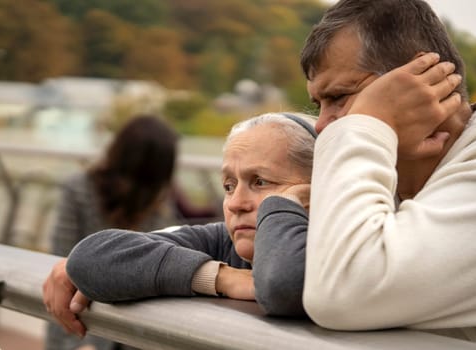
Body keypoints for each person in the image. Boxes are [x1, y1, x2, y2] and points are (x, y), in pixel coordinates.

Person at [42, 112, 317, 339]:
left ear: (320, 186)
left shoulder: (344, 254)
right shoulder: (221, 242)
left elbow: (282, 285)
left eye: (260, 182)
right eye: (229, 186)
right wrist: (223, 278)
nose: (235, 204)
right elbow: (89, 258)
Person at [300, 0, 476, 341]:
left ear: (426, 85)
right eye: (317, 105)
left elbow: (342, 293)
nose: (322, 126)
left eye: (339, 97)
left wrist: (367, 124)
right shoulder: (379, 169)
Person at [46, 115, 179, 350]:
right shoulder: (79, 189)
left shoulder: (158, 207)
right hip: (81, 329)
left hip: (130, 333)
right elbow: (60, 271)